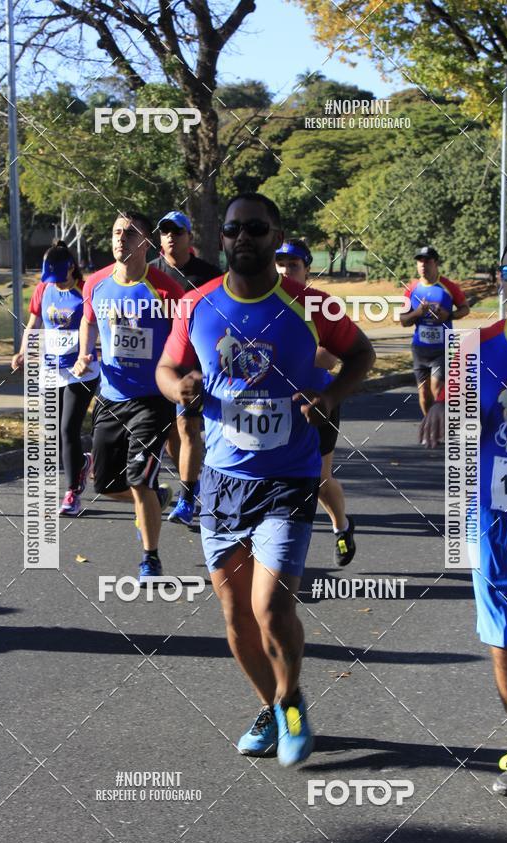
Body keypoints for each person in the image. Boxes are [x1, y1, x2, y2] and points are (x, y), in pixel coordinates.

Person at [156, 193, 375, 766]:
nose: (244, 237)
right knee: (234, 616)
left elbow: (362, 354)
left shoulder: (311, 305)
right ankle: (271, 704)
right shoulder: (196, 305)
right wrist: (176, 388)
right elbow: (167, 368)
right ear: (222, 238)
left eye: (255, 228)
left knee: (271, 608)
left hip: (289, 477)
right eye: (234, 229)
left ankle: (292, 698)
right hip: (223, 481)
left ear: (275, 234)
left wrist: (330, 394)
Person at [421, 228, 507, 797]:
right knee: (505, 645)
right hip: (494, 524)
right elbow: (457, 422)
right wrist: (444, 416)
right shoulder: (474, 351)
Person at [73, 211, 184, 583]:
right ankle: (157, 496)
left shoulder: (167, 290)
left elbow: (186, 336)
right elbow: (88, 319)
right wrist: (83, 353)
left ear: (145, 243)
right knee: (105, 485)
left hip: (154, 397)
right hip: (110, 396)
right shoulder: (95, 283)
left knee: (138, 478)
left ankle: (150, 559)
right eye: (117, 232)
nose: (121, 238)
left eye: (130, 232)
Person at [275, 239, 355, 566]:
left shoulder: (322, 307)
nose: (285, 270)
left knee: (320, 481)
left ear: (307, 269)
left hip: (320, 404)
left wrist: (280, 359)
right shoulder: (263, 304)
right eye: (280, 263)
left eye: (293, 264)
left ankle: (342, 527)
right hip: (275, 406)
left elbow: (330, 358)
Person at [11, 241, 99, 517]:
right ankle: (82, 465)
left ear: (72, 268)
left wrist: (88, 355)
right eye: (51, 278)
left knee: (68, 429)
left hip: (81, 371)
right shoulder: (43, 290)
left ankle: (72, 493)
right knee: (56, 432)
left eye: (59, 277)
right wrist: (24, 351)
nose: (56, 284)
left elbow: (97, 326)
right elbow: (34, 324)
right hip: (52, 370)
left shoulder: (86, 292)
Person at [152, 210, 223, 526]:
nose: (170, 237)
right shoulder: (150, 272)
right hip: (158, 365)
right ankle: (192, 479)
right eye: (165, 231)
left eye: (177, 232)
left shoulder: (207, 274)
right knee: (171, 437)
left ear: (189, 237)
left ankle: (186, 498)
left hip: (193, 364)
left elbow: (223, 316)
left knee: (188, 429)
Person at [400, 246, 469, 416]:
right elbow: (403, 321)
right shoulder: (411, 289)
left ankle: (440, 427)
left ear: (435, 263)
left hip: (443, 348)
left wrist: (449, 315)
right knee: (423, 394)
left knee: (437, 389)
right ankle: (430, 425)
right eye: (420, 261)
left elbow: (465, 309)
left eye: (427, 261)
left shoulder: (448, 286)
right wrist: (418, 313)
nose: (423, 265)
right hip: (420, 349)